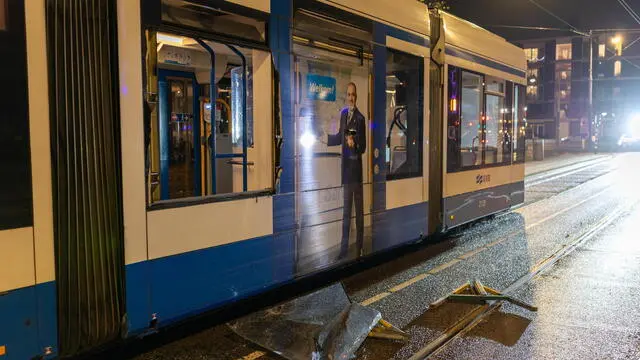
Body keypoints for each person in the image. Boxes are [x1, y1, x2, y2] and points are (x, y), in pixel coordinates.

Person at [327, 82, 366, 259]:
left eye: (353, 95)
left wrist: (355, 144)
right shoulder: (343, 115)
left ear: (356, 97)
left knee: (358, 211)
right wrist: (324, 138)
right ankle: (343, 249)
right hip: (346, 170)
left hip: (356, 171)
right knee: (346, 212)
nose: (351, 97)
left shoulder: (360, 118)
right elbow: (340, 136)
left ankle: (359, 248)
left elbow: (363, 147)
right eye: (349, 94)